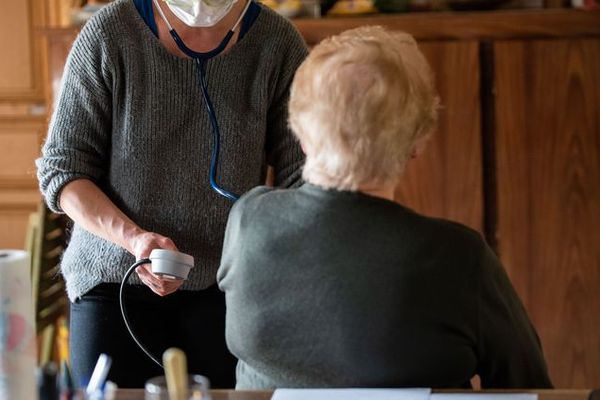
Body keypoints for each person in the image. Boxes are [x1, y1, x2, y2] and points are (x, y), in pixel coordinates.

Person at [217, 26, 553, 389]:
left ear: (297, 130)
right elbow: (529, 386)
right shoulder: (460, 259)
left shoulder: (249, 221)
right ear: (417, 143)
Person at [36, 0, 306, 389]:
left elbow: (302, 175)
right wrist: (133, 239)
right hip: (115, 281)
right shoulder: (111, 32)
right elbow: (63, 170)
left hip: (229, 285)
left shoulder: (278, 43)